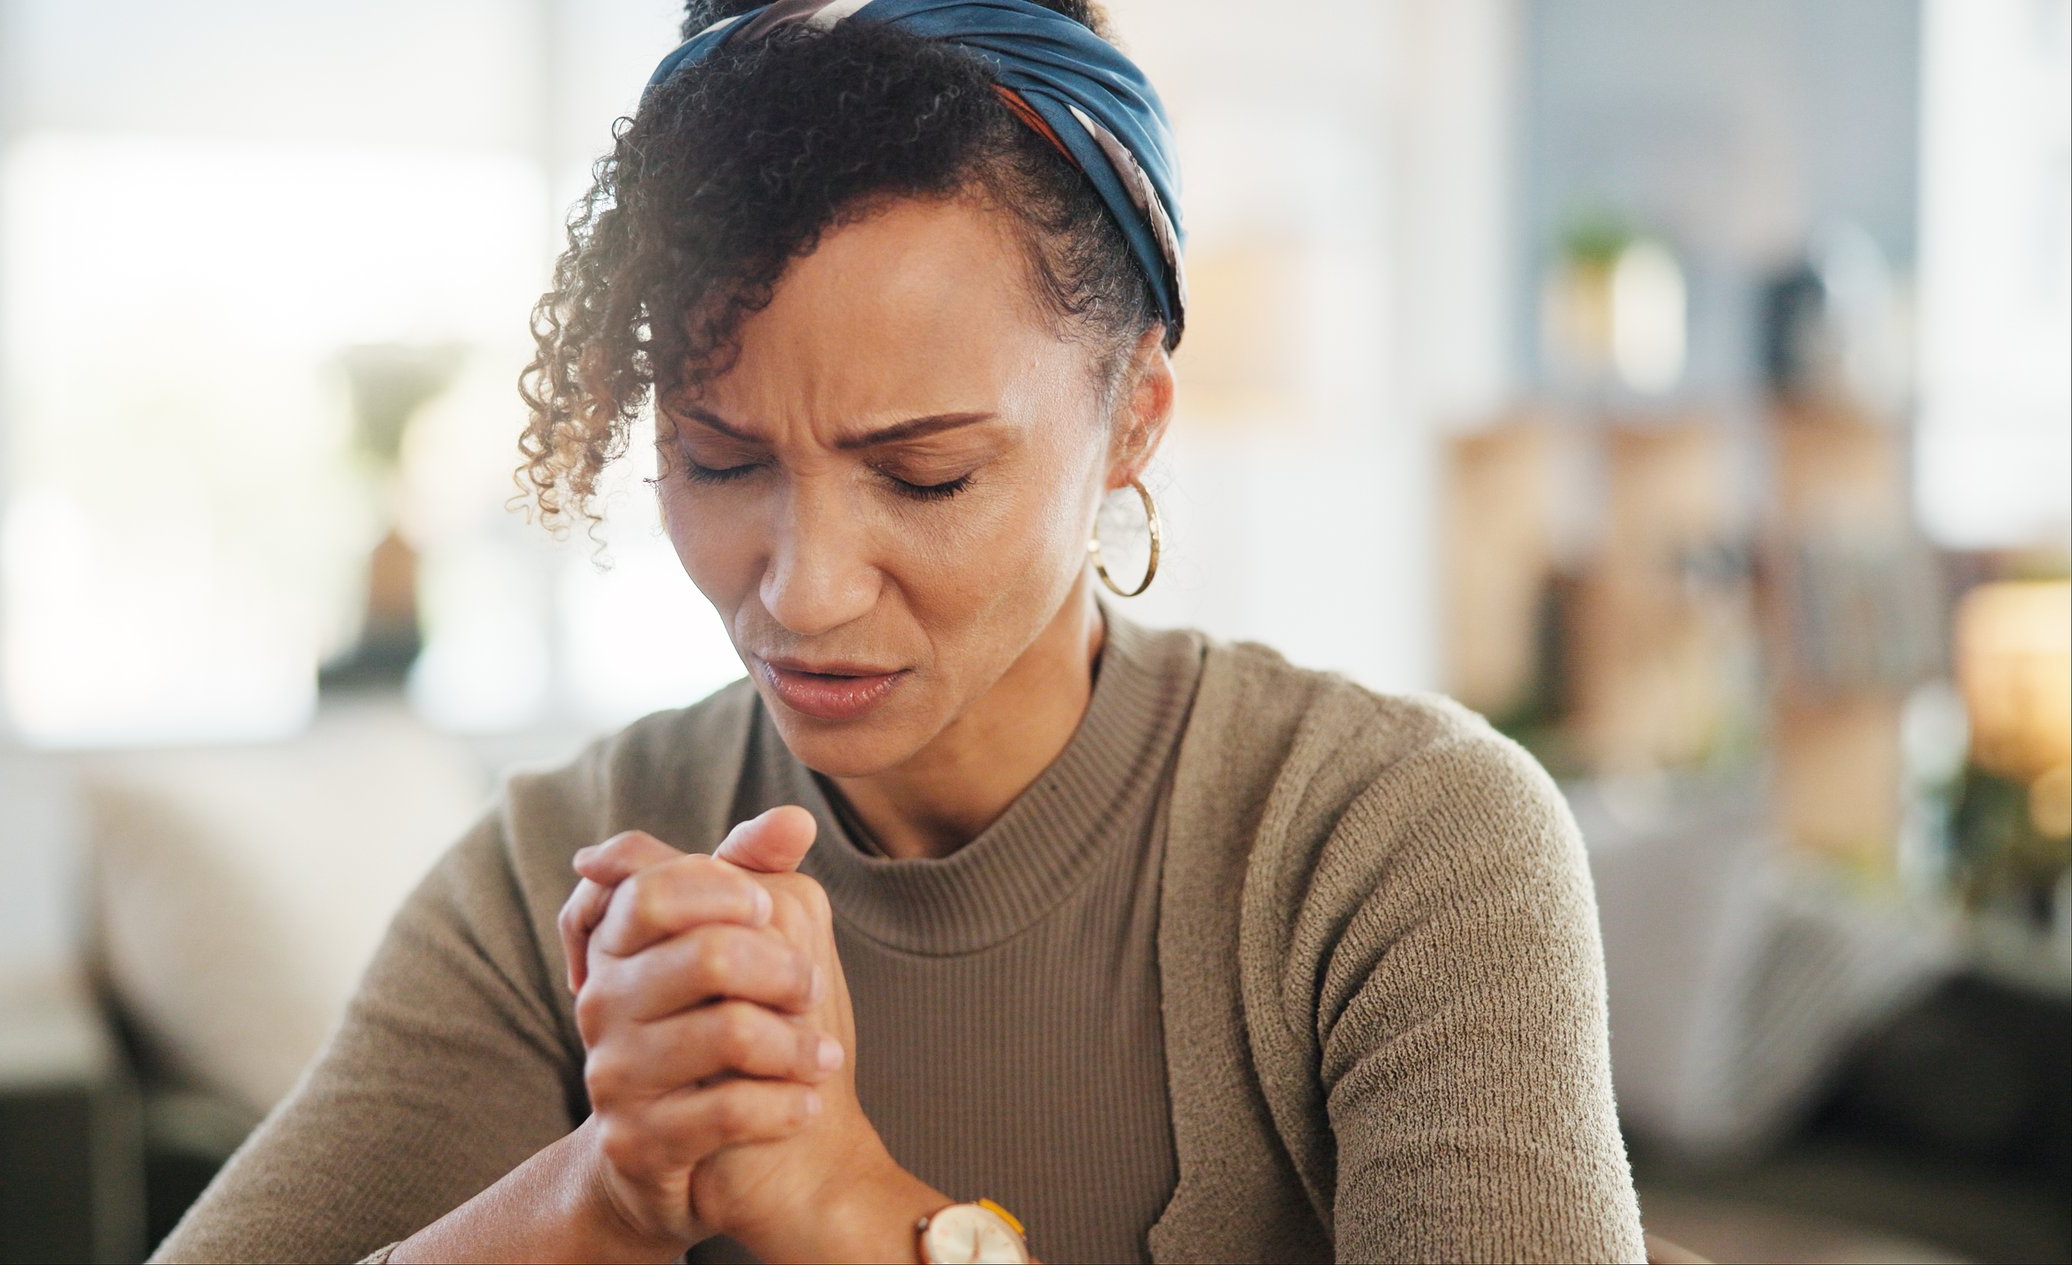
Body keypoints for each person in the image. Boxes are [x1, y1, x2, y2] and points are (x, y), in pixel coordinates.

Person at [152, 2, 1648, 1262]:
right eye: (719, 459)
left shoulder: (1397, 846)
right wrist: (607, 1187)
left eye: (924, 473)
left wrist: (853, 1206)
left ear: (1134, 412)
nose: (801, 593)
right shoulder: (571, 863)